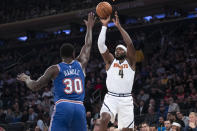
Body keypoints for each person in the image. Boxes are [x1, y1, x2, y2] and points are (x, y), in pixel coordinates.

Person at [17, 12, 96, 131]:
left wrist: (27, 79)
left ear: (61, 56)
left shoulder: (55, 68)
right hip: (79, 107)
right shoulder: (80, 64)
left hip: (63, 106)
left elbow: (35, 86)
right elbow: (88, 45)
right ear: (74, 54)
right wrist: (89, 27)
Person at [97, 11, 136, 131]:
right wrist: (104, 26)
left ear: (125, 52)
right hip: (111, 98)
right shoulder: (110, 62)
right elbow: (101, 45)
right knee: (103, 119)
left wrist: (119, 26)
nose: (117, 51)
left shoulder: (130, 62)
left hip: (126, 100)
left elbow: (129, 43)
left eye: (120, 50)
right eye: (116, 50)